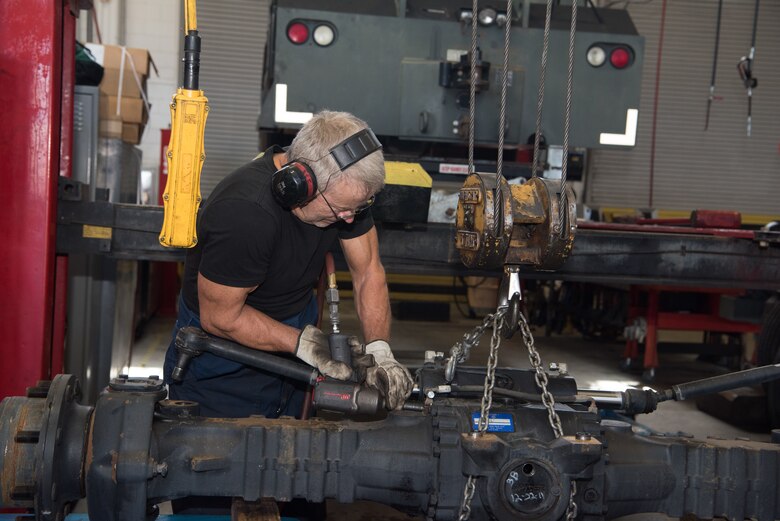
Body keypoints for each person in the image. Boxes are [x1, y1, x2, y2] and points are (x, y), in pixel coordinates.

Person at [163, 110, 413, 419]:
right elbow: (219, 318)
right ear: (298, 184)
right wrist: (305, 343)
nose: (350, 219)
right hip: (222, 363)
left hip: (294, 349)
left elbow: (368, 272)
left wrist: (379, 351)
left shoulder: (344, 196)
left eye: (358, 208)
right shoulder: (245, 214)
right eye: (342, 210)